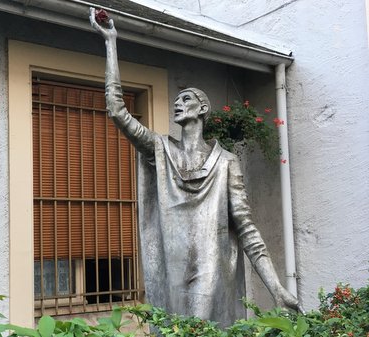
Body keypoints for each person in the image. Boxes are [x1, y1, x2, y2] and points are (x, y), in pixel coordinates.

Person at [89, 9, 301, 326]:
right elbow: (117, 111)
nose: (177, 102)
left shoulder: (227, 161)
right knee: (174, 329)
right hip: (172, 270)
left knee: (199, 328)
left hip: (211, 270)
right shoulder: (160, 150)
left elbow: (247, 229)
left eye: (185, 98)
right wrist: (111, 42)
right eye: (176, 99)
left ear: (202, 109)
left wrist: (276, 289)